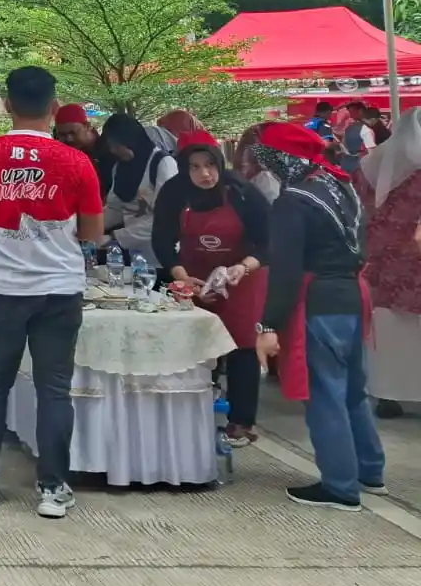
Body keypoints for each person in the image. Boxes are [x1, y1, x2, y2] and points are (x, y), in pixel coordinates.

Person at [0, 67, 103, 519]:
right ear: (55, 108)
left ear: (6, 105)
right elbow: (93, 233)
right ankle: (53, 489)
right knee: (54, 389)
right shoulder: (78, 162)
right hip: (59, 288)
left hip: (2, 287)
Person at [254, 121, 387, 510]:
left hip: (318, 301)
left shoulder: (293, 199)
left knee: (324, 393)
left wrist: (268, 324)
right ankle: (368, 470)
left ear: (282, 158)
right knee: (352, 391)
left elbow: (285, 269)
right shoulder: (340, 185)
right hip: (351, 295)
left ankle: (340, 487)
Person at [151, 129, 271, 445]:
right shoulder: (173, 194)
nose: (205, 173)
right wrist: (179, 274)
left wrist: (244, 266)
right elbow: (161, 239)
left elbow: (269, 241)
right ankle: (195, 413)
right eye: (195, 166)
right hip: (194, 276)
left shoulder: (242, 192)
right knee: (197, 346)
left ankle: (242, 423)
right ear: (182, 168)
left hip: (241, 275)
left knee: (243, 347)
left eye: (210, 165)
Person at [355, 109, 421, 418]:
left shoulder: (375, 161)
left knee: (385, 329)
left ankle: (386, 395)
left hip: (381, 260)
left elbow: (358, 203)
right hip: (412, 262)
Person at [99, 112, 177, 263]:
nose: (113, 151)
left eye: (117, 145)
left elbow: (165, 220)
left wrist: (114, 236)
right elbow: (117, 208)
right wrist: (89, 225)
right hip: (135, 256)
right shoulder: (120, 168)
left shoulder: (163, 165)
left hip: (162, 257)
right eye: (111, 146)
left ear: (132, 141)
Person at [339, 101, 376, 172]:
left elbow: (343, 146)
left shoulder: (349, 128)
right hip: (359, 168)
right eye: (350, 112)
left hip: (347, 166)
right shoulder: (364, 129)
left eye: (352, 112)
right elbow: (371, 152)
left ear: (360, 111)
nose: (351, 115)